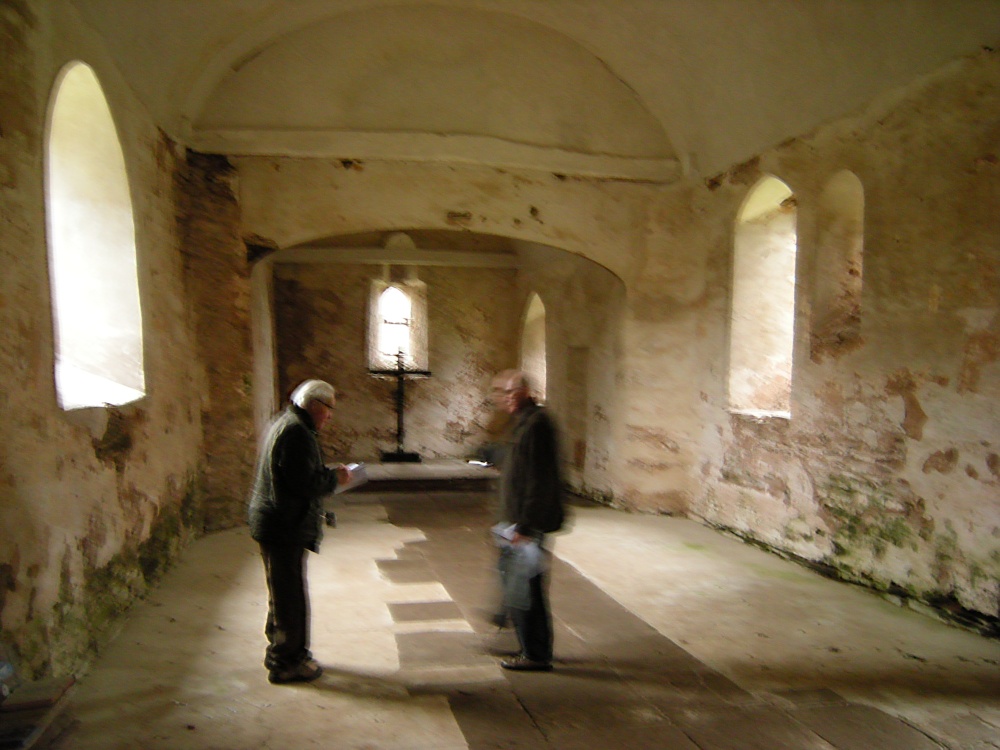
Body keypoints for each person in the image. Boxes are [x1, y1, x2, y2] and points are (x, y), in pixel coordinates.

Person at [247, 379, 352, 684]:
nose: (330, 417)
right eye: (329, 409)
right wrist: (336, 479)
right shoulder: (297, 432)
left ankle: (283, 652)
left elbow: (294, 473)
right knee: (289, 598)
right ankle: (286, 662)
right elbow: (305, 484)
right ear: (315, 405)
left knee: (282, 595)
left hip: (277, 522)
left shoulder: (287, 422)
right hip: (283, 526)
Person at [490, 370, 565, 672]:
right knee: (520, 587)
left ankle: (535, 654)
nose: (503, 399)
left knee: (527, 591)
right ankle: (530, 645)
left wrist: (525, 526)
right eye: (499, 393)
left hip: (526, 524)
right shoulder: (523, 422)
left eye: (508, 393)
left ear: (524, 392)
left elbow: (540, 479)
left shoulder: (537, 424)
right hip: (515, 521)